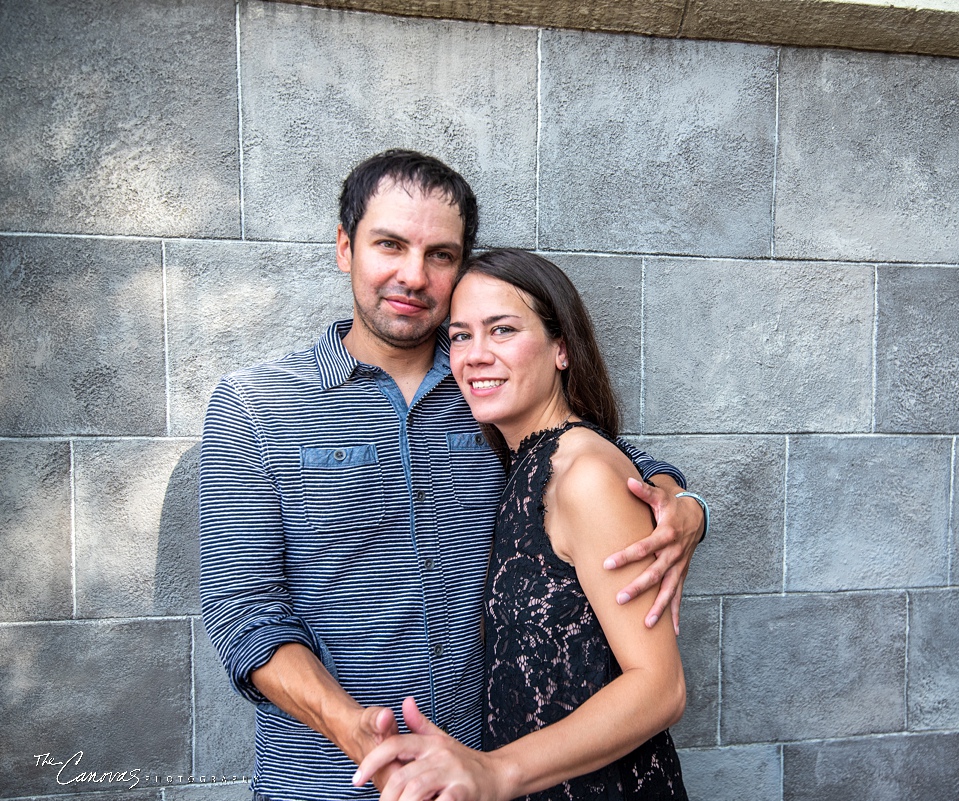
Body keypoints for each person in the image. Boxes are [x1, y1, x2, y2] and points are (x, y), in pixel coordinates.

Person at [198, 150, 706, 801]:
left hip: (482, 771)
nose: (413, 274)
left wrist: (681, 501)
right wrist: (349, 725)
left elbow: (604, 454)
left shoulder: (487, 381)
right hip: (326, 779)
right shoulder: (256, 406)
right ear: (345, 247)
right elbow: (244, 611)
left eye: (440, 254)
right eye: (389, 244)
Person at [353, 248, 689, 801]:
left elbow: (660, 688)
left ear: (561, 348)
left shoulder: (584, 475)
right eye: (459, 336)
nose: (475, 356)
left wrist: (496, 771)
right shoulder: (522, 463)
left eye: (502, 330)